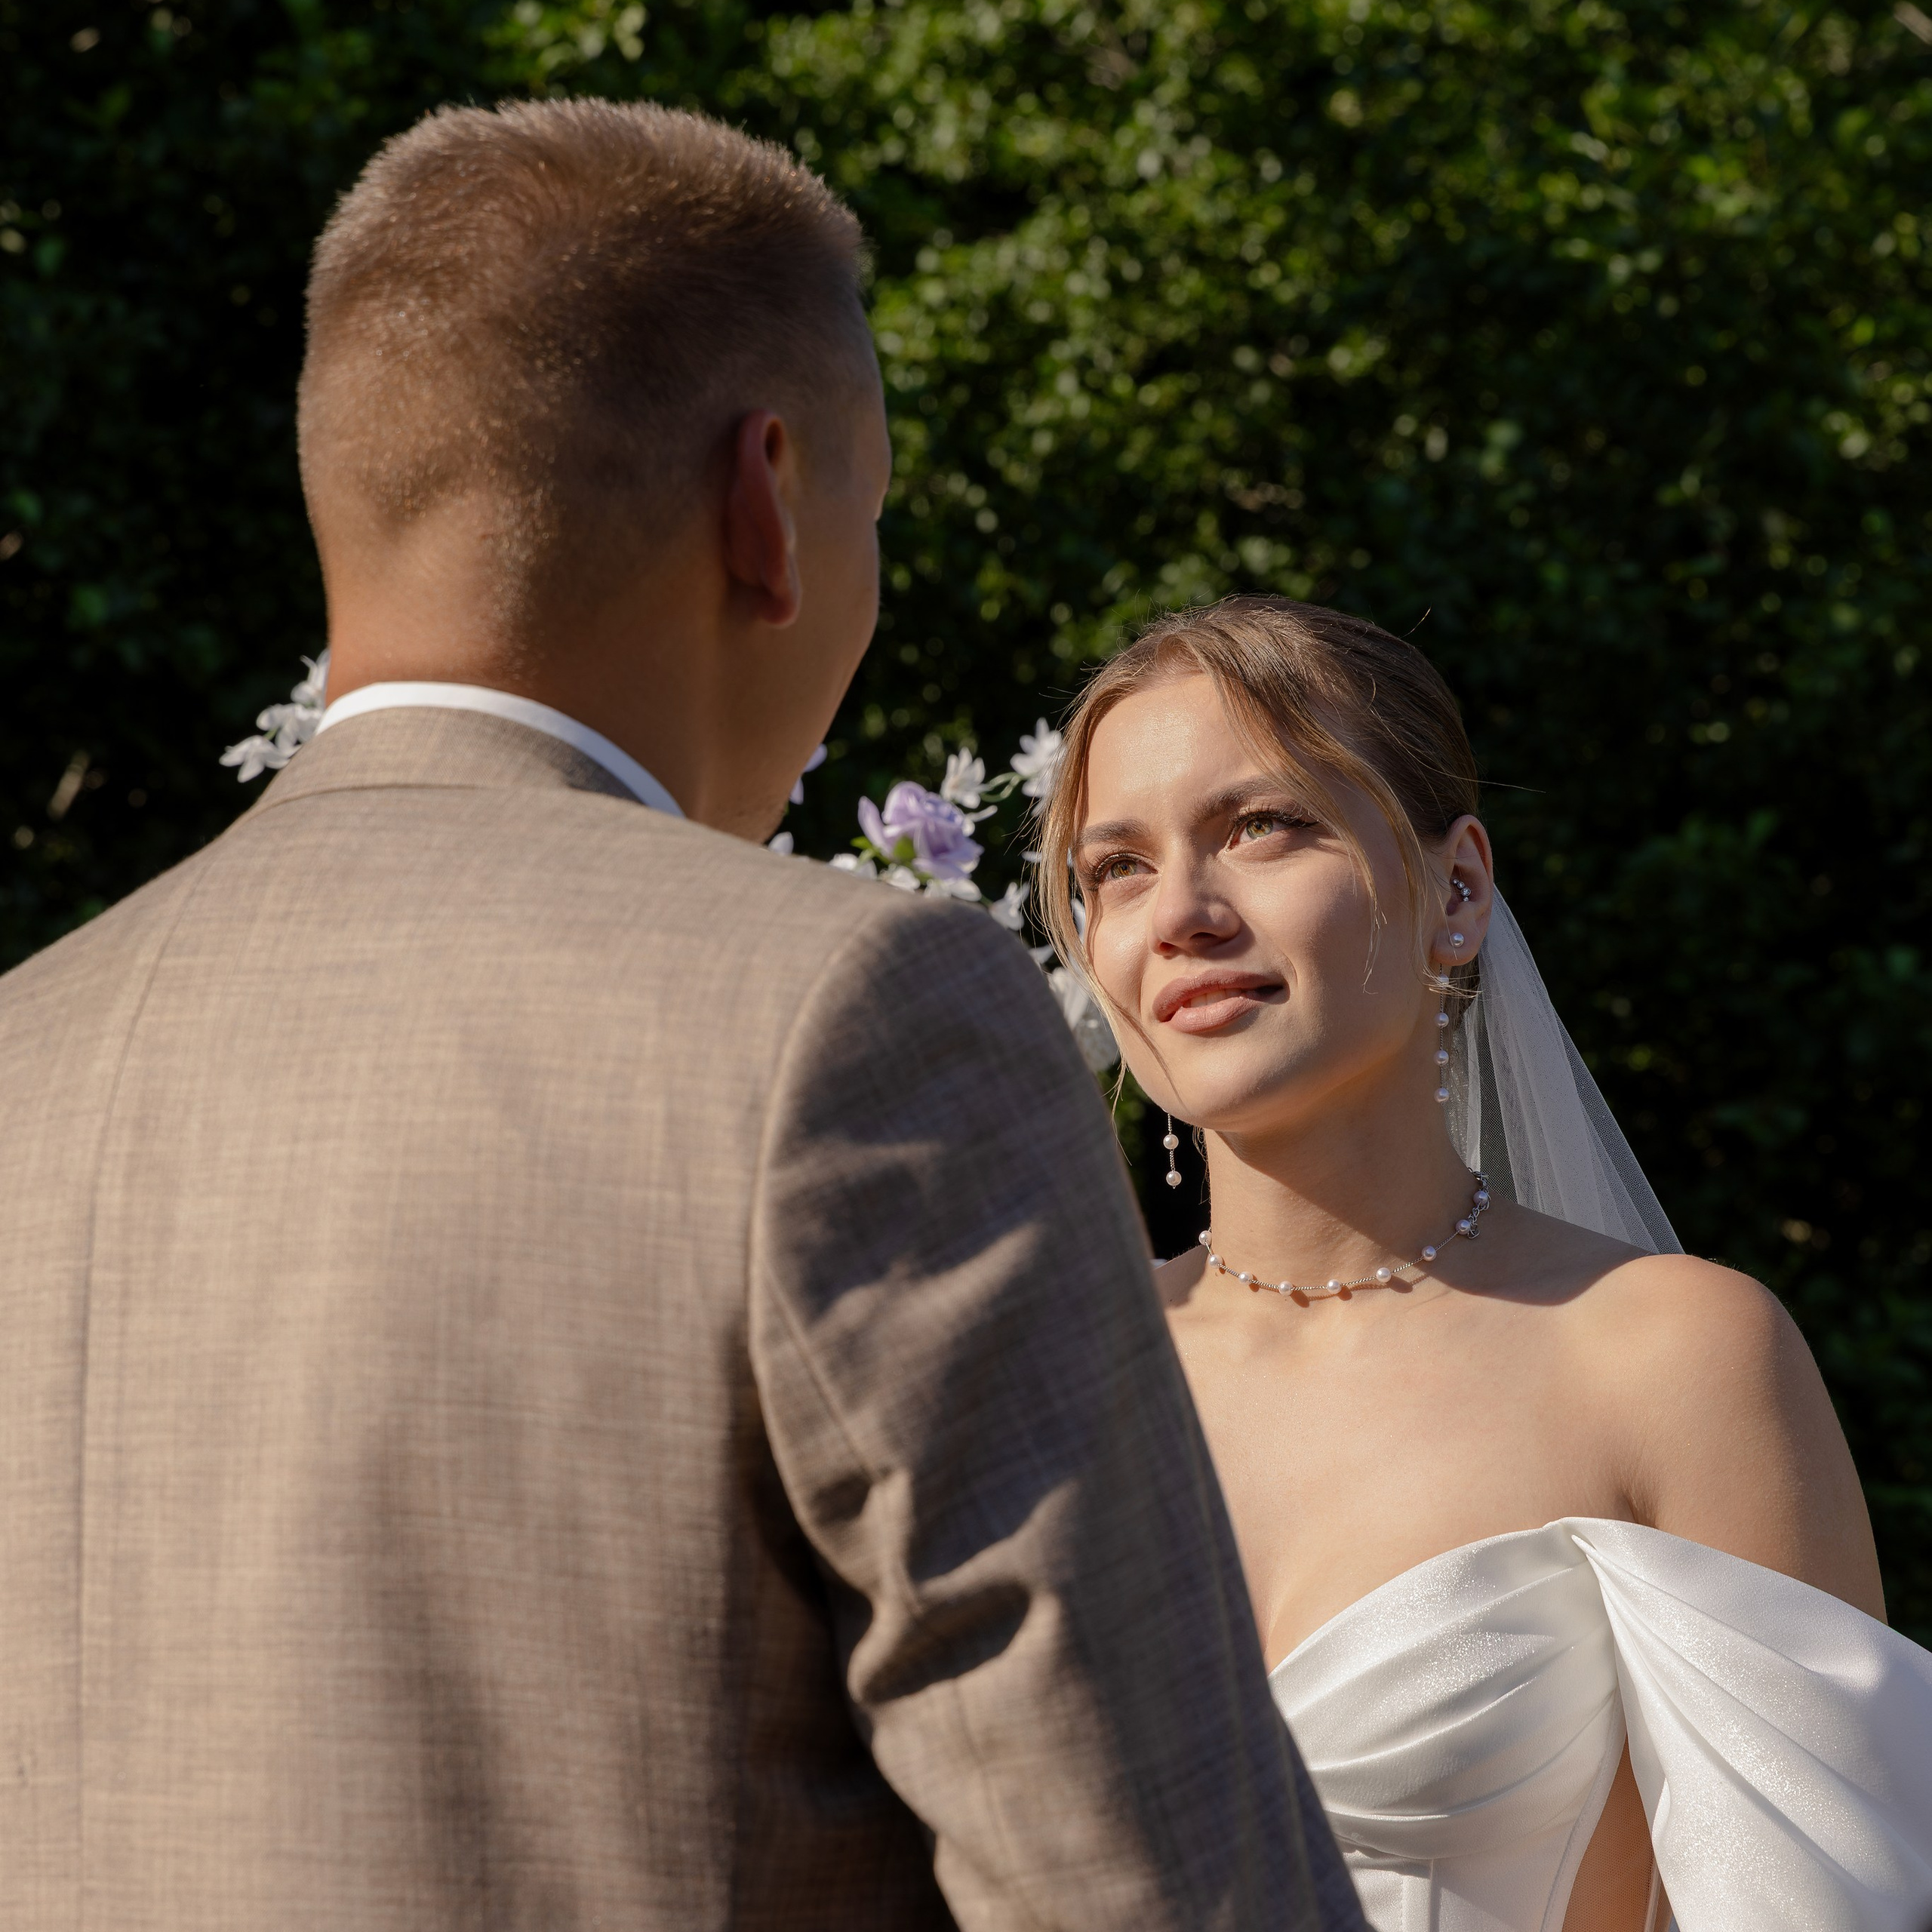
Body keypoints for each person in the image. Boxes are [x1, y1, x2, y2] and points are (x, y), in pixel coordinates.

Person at [0, 106, 1363, 1930]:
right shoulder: (853, 1014)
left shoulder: (31, 1046)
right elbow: (1148, 1887)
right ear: (766, 503)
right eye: (866, 516)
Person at [1035, 595, 1932, 1932]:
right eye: (1115, 867)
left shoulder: (1670, 1354)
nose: (1181, 913)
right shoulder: (1040, 1387)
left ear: (1456, 891)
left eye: (1261, 827)